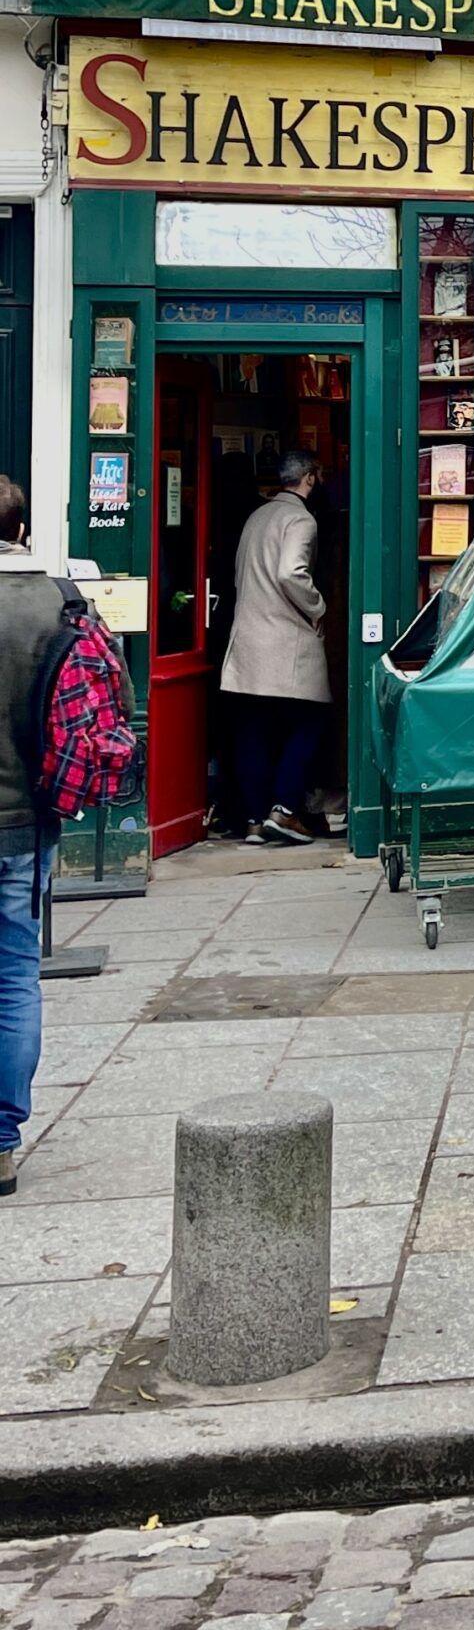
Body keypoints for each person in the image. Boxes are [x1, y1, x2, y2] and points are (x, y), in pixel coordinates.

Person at [0, 475, 63, 1197]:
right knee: (15, 973)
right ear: (21, 530)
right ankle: (2, 1140)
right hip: (25, 824)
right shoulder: (61, 604)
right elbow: (110, 712)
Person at [221, 449, 330, 847]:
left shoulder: (257, 515)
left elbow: (239, 574)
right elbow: (290, 572)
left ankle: (252, 820)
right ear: (311, 478)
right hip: (287, 639)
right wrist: (318, 608)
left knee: (253, 730)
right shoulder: (301, 519)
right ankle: (285, 809)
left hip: (248, 639)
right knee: (310, 722)